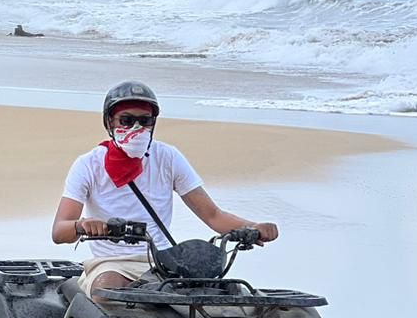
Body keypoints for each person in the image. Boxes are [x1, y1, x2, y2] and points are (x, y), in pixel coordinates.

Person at [51, 80, 279, 297]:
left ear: (154, 122)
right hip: (112, 264)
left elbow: (213, 215)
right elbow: (60, 232)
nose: (136, 127)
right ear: (110, 122)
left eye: (145, 120)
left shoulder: (167, 157)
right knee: (107, 292)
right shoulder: (88, 164)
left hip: (164, 262)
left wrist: (253, 227)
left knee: (221, 300)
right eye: (127, 120)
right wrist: (83, 225)